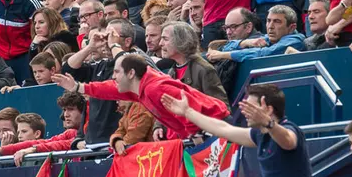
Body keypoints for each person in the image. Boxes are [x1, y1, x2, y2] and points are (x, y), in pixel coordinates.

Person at [54, 53, 230, 139]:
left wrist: (196, 135)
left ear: (130, 73)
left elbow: (187, 109)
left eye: (116, 72)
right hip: (207, 130)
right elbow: (109, 89)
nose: (113, 77)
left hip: (216, 127)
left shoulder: (155, 88)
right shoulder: (140, 87)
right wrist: (78, 87)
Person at [162, 82, 311, 177]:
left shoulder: (290, 129)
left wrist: (268, 123)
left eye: (250, 107)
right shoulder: (258, 135)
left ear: (268, 109)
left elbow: (288, 140)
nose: (244, 112)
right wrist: (188, 112)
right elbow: (223, 129)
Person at [0, 91, 86, 168]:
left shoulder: (90, 131)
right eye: (64, 110)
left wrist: (34, 149)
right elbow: (45, 142)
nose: (66, 114)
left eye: (71, 109)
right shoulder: (70, 132)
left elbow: (62, 144)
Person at [207, 5, 306, 61]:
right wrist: (245, 43)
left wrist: (222, 55)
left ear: (291, 27)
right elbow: (225, 47)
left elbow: (263, 54)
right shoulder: (266, 38)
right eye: (268, 21)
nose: (270, 26)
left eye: (277, 22)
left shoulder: (296, 41)